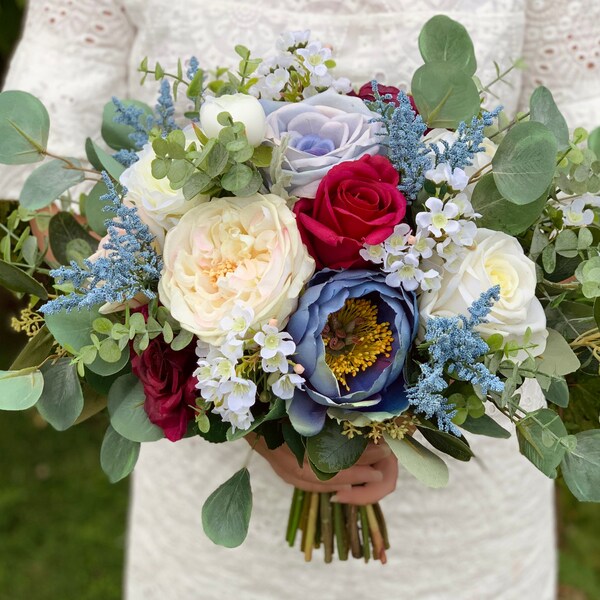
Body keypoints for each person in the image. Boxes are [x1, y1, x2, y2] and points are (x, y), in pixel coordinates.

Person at [2, 1, 599, 598]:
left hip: (465, 527)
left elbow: (579, 181)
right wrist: (263, 413)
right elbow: (53, 201)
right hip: (218, 508)